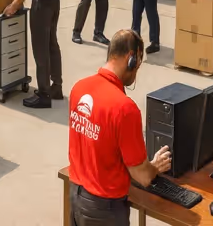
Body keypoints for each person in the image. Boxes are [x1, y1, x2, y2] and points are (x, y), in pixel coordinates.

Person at [68, 30, 172, 225]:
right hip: (104, 210)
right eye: (138, 65)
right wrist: (155, 166)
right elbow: (142, 176)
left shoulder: (79, 88)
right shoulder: (124, 109)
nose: (137, 71)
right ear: (131, 58)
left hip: (75, 196)